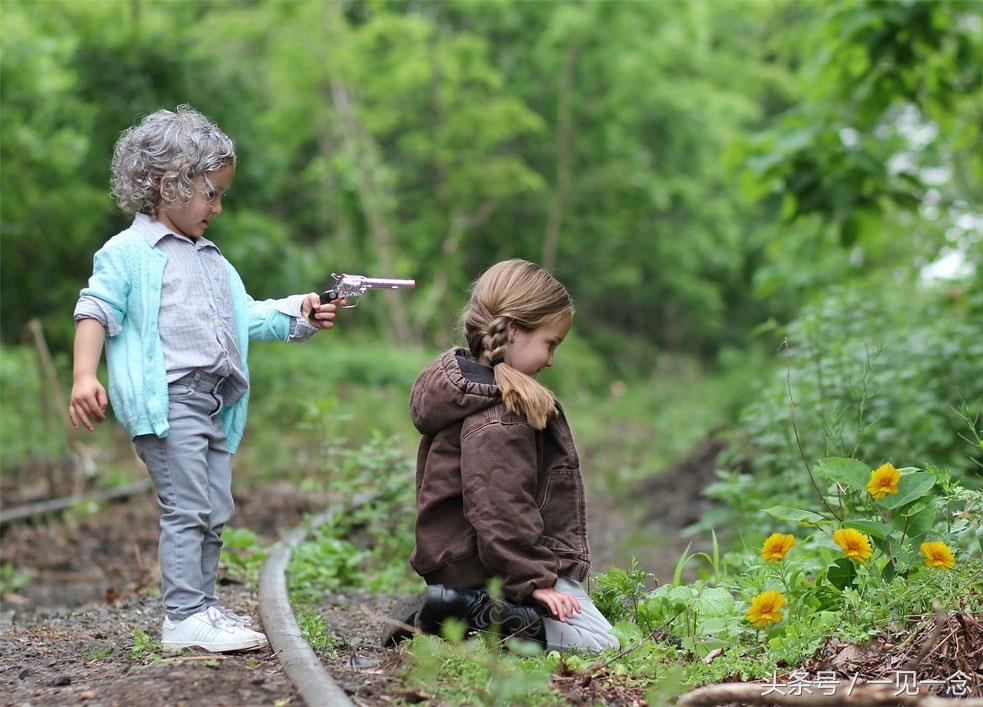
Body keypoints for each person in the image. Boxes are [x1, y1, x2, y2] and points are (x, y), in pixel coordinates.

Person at [68, 105, 340, 653]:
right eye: (210, 193)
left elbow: (247, 317)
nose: (217, 206)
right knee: (187, 506)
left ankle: (202, 606)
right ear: (169, 185)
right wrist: (82, 375)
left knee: (215, 509)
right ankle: (182, 615)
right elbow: (95, 309)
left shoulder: (213, 261)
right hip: (169, 402)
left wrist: (298, 314)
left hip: (215, 403)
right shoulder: (129, 253)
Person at [385, 259, 618, 653]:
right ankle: (457, 610)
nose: (551, 359)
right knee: (600, 643)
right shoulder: (499, 416)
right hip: (485, 566)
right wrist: (535, 581)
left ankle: (463, 606)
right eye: (550, 343)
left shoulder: (473, 392)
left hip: (470, 558)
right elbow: (499, 506)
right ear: (512, 330)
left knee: (586, 625)